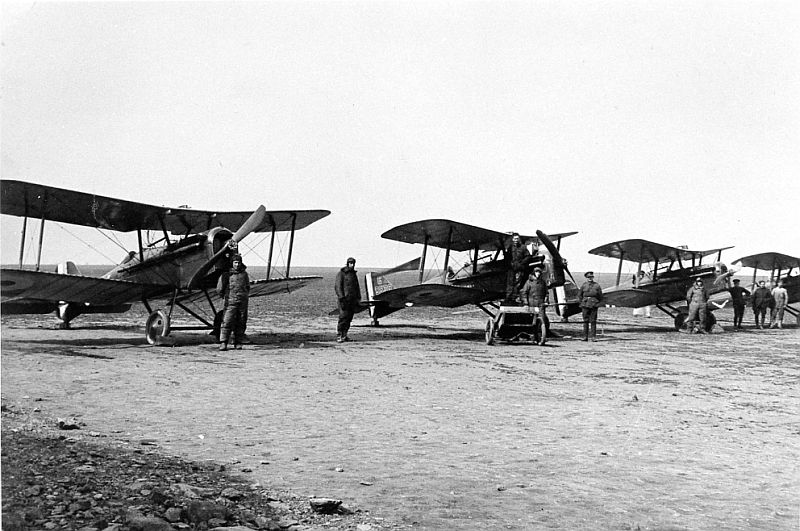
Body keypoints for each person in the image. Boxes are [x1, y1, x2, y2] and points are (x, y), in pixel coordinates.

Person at [216, 252, 250, 351]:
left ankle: (238, 342)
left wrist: (244, 296)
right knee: (227, 320)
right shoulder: (226, 275)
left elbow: (247, 287)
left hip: (243, 301)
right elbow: (219, 289)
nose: (237, 264)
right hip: (231, 301)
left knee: (241, 321)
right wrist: (225, 297)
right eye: (235, 262)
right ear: (232, 263)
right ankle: (223, 342)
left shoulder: (244, 275)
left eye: (239, 262)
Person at [335, 257, 361, 342]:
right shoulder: (341, 274)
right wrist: (341, 298)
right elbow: (338, 287)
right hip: (344, 300)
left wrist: (358, 298)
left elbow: (357, 287)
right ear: (347, 263)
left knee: (349, 318)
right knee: (343, 317)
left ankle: (345, 335)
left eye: (353, 263)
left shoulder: (353, 274)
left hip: (352, 300)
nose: (352, 265)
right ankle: (339, 335)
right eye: (350, 263)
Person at [521, 267, 550, 336]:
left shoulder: (543, 282)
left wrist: (546, 301)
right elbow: (524, 293)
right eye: (537, 272)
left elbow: (546, 293)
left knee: (542, 319)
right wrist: (526, 303)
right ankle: (528, 333)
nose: (538, 274)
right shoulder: (529, 282)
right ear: (534, 273)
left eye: (539, 272)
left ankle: (541, 334)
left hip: (541, 303)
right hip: (531, 303)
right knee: (530, 319)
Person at [505, 233, 533, 303]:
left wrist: (521, 263)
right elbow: (507, 257)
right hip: (511, 268)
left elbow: (528, 256)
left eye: (517, 239)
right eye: (514, 239)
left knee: (517, 283)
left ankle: (514, 298)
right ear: (512, 239)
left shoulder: (523, 247)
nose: (516, 240)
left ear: (519, 239)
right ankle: (508, 298)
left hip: (519, 268)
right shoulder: (510, 248)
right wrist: (510, 264)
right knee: (510, 283)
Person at [578, 271, 603, 341]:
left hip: (593, 305)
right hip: (585, 305)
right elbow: (579, 295)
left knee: (593, 321)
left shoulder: (597, 286)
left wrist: (597, 304)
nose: (590, 278)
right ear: (586, 278)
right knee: (585, 321)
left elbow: (600, 296)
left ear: (593, 278)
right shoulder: (584, 285)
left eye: (591, 277)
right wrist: (581, 302)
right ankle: (585, 337)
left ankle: (593, 337)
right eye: (588, 277)